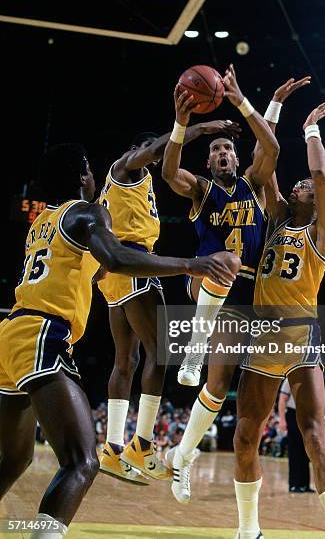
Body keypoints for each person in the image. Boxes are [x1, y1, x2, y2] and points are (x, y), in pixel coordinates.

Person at [0, 143, 236, 539]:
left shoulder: (41, 223)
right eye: (89, 170)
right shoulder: (89, 212)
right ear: (82, 177)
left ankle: (128, 444)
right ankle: (134, 445)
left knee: (15, 458)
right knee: (80, 463)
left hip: (11, 335)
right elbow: (116, 259)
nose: (95, 177)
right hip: (41, 335)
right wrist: (190, 264)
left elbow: (86, 272)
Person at [162, 65, 310, 504]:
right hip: (204, 277)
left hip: (250, 294)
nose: (224, 152)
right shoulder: (201, 190)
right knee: (223, 261)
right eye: (217, 150)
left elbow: (272, 145)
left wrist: (260, 102)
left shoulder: (254, 184)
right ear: (208, 161)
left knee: (218, 385)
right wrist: (182, 123)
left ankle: (182, 455)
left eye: (229, 147)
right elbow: (170, 171)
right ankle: (193, 347)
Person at [96, 119, 241, 483]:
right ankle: (142, 445)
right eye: (154, 152)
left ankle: (113, 449)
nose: (159, 158)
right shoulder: (124, 168)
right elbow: (156, 150)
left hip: (114, 273)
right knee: (160, 352)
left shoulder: (136, 185)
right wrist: (198, 129)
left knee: (125, 360)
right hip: (133, 262)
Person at [233, 100, 325, 539]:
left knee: (314, 436)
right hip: (263, 335)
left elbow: (320, 177)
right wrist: (272, 105)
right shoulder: (277, 218)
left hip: (300, 334)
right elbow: (266, 158)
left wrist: (312, 132)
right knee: (245, 435)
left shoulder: (322, 232)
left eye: (306, 188)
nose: (301, 186)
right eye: (296, 185)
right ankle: (249, 530)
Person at [278, 378, 314, 492]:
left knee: (305, 451)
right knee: (295, 449)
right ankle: (294, 484)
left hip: (307, 415)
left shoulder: (311, 380)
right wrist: (282, 420)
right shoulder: (289, 379)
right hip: (293, 414)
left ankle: (305, 484)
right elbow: (282, 399)